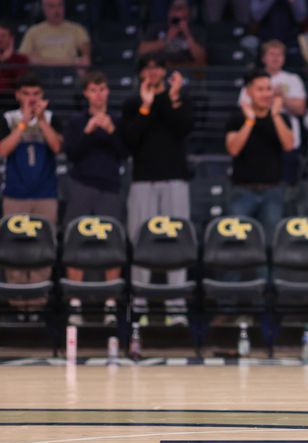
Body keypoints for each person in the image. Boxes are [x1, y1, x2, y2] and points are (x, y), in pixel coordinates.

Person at [121, 54, 192, 325]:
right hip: (142, 180)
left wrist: (171, 99)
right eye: (147, 67)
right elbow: (130, 139)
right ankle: (139, 304)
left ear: (164, 71)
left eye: (157, 66)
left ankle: (176, 307)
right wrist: (146, 107)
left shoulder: (178, 99)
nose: (152, 72)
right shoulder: (133, 104)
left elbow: (183, 127)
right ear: (140, 74)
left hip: (175, 178)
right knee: (140, 240)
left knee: (178, 240)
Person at [62, 71, 127, 325]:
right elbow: (72, 154)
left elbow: (124, 152)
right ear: (86, 94)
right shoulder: (76, 122)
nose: (98, 95)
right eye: (92, 90)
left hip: (110, 187)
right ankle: (75, 302)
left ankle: (110, 301)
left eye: (101, 89)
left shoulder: (119, 120)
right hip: (81, 186)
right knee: (75, 240)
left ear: (107, 91)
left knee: (112, 241)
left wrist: (110, 131)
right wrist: (89, 131)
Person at [0, 73, 63, 288]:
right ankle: (17, 301)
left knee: (43, 247)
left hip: (45, 195)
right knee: (13, 247)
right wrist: (23, 123)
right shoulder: (8, 118)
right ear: (17, 95)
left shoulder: (52, 118)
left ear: (43, 95)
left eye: (36, 94)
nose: (31, 99)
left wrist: (42, 121)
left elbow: (57, 147)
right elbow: (3, 150)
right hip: (15, 195)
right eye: (26, 94)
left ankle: (39, 301)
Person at [226, 70, 294, 240]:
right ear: (248, 91)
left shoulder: (281, 118)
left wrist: (276, 115)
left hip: (273, 191)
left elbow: (289, 145)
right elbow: (233, 149)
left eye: (269, 89)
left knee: (272, 242)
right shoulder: (237, 118)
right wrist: (249, 121)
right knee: (238, 242)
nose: (266, 94)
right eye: (260, 89)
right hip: (242, 191)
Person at [18, 0, 91, 67]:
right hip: (42, 71)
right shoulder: (33, 31)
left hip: (68, 70)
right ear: (44, 9)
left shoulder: (77, 28)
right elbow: (23, 56)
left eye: (60, 5)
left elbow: (85, 54)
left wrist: (84, 59)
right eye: (51, 6)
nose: (57, 10)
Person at [137, 0, 207, 67]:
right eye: (175, 19)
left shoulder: (196, 30)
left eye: (183, 19)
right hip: (160, 67)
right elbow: (141, 50)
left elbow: (201, 58)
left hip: (186, 67)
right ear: (169, 15)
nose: (178, 22)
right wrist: (167, 39)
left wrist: (187, 34)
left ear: (188, 18)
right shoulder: (157, 27)